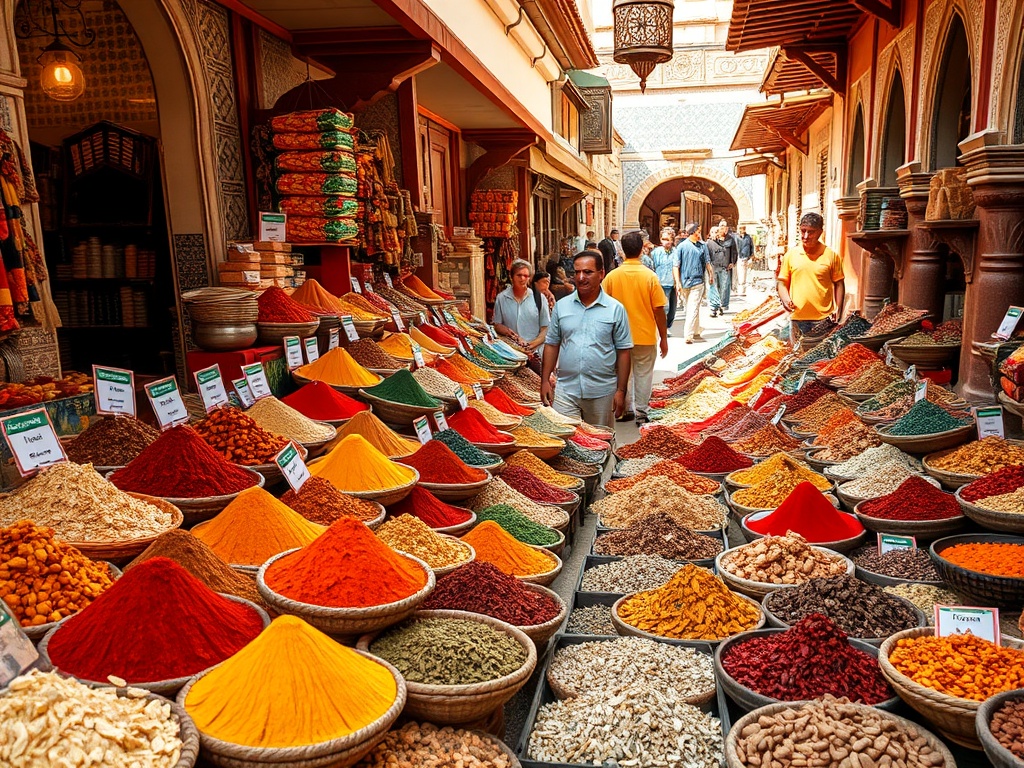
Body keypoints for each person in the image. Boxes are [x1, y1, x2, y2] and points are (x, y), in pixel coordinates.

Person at [541, 250, 633, 429]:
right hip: (566, 390)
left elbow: (624, 352)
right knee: (566, 444)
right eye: (577, 272)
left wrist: (621, 390)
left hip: (602, 392)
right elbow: (552, 344)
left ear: (601, 274)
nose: (581, 277)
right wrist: (545, 380)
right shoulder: (562, 307)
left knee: (600, 444)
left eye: (588, 272)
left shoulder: (615, 309)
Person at [601, 231, 669, 425]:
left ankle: (624, 410)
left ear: (622, 250)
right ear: (641, 250)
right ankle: (641, 411)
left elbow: (602, 307)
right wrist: (663, 338)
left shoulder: (612, 277)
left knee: (622, 373)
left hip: (618, 338)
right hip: (645, 335)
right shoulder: (650, 277)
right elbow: (658, 310)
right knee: (643, 374)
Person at [777, 212, 845, 341]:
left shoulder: (830, 255)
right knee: (798, 357)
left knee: (820, 358)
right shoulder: (791, 255)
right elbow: (782, 282)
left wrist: (838, 309)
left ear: (820, 232)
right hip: (797, 318)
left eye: (811, 232)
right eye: (803, 231)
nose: (806, 236)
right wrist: (785, 298)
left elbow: (839, 283)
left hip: (823, 319)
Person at [492, 259, 550, 352]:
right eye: (519, 275)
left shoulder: (539, 298)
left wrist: (531, 345)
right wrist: (508, 332)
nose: (522, 278)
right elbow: (497, 324)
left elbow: (545, 328)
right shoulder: (502, 298)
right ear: (512, 277)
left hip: (535, 351)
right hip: (511, 350)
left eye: (525, 276)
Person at [673, 222, 715, 344]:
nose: (699, 233)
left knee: (693, 307)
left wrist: (711, 274)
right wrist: (678, 282)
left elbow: (707, 262)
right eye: (698, 231)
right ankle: (696, 330)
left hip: (698, 281)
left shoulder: (702, 246)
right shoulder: (681, 247)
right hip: (685, 281)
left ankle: (688, 334)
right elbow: (676, 265)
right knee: (691, 307)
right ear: (693, 232)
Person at [649, 228, 679, 330]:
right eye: (663, 239)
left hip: (672, 283)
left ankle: (667, 325)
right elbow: (652, 266)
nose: (665, 242)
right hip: (660, 282)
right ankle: (663, 328)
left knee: (672, 309)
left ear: (672, 240)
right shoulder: (656, 253)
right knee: (664, 306)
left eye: (667, 239)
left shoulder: (676, 252)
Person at [706, 221, 737, 317]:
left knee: (724, 287)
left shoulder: (729, 240)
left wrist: (732, 262)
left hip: (724, 267)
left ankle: (722, 306)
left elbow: (734, 252)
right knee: (714, 287)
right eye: (720, 226)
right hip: (713, 267)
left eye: (724, 226)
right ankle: (714, 307)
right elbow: (707, 256)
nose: (716, 233)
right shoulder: (709, 243)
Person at [735, 225, 753, 297]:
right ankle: (739, 288)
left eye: (742, 229)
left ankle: (743, 289)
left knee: (744, 273)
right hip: (738, 257)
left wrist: (751, 255)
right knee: (739, 272)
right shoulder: (736, 237)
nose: (741, 230)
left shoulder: (748, 237)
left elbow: (751, 246)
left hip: (746, 257)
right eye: (740, 229)